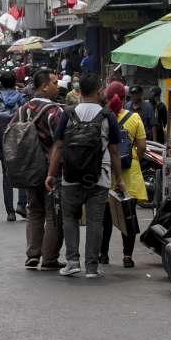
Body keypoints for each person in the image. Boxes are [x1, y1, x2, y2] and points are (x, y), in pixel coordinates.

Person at [46, 73, 126, 278]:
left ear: (79, 91)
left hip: (70, 176)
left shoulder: (68, 113)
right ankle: (91, 266)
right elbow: (115, 151)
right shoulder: (108, 116)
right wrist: (120, 179)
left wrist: (51, 174)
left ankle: (72, 261)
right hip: (99, 176)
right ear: (99, 91)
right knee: (95, 221)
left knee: (70, 218)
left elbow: (58, 146)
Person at [18, 70, 65, 270]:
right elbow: (60, 144)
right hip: (49, 170)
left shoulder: (22, 109)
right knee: (53, 213)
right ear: (45, 86)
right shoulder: (55, 111)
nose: (58, 85)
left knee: (33, 211)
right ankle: (49, 258)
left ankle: (32, 255)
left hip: (29, 169)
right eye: (55, 82)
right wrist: (53, 173)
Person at [100, 81, 148, 268]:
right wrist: (134, 157)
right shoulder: (135, 118)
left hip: (108, 171)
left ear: (106, 97)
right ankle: (127, 256)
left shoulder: (102, 117)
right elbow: (142, 147)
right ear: (125, 97)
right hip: (130, 172)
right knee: (129, 216)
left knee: (105, 218)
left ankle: (103, 255)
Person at [0, 71, 27, 222]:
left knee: (7, 174)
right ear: (15, 82)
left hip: (2, 140)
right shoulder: (22, 99)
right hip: (19, 140)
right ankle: (22, 205)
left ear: (0, 83)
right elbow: (26, 121)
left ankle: (10, 212)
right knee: (22, 171)